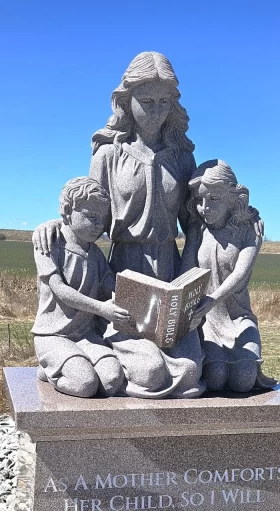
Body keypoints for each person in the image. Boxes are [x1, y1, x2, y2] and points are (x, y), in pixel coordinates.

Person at [34, 52, 205, 399]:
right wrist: (55, 224)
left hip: (171, 271)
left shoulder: (182, 157)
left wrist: (189, 287)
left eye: (163, 101)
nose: (155, 110)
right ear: (127, 102)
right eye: (146, 101)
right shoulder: (108, 155)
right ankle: (71, 360)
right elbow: (87, 209)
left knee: (192, 372)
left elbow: (195, 226)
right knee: (151, 372)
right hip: (125, 272)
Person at [31, 177, 128, 398]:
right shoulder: (49, 246)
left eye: (102, 219)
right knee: (84, 384)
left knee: (111, 380)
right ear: (67, 210)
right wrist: (102, 309)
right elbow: (61, 291)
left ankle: (67, 364)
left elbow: (112, 286)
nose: (98, 225)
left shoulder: (95, 254)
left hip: (86, 336)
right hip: (53, 335)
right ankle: (49, 369)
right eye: (91, 216)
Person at [187, 160, 276, 393]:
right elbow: (185, 273)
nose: (205, 207)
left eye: (214, 199)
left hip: (238, 318)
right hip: (207, 321)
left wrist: (211, 300)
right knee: (216, 377)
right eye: (200, 200)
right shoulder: (197, 231)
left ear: (232, 199)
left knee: (244, 379)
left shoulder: (250, 231)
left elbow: (240, 274)